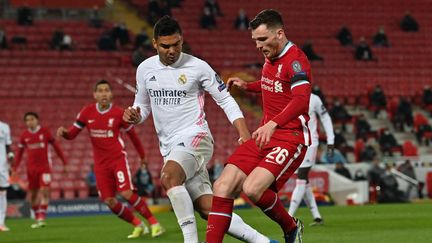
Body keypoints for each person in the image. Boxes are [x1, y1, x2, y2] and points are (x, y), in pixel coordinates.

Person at [123, 16, 275, 243]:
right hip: (170, 146)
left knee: (169, 177)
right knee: (208, 209)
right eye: (165, 46)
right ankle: (263, 242)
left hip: (196, 137)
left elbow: (225, 99)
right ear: (155, 44)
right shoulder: (145, 69)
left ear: (182, 41)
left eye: (176, 44)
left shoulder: (198, 67)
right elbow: (143, 106)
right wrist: (134, 115)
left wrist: (243, 132)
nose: (172, 50)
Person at [206, 9, 311, 243]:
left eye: (262, 39)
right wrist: (248, 86)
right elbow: (272, 84)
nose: (258, 45)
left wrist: (273, 123)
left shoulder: (296, 60)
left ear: (280, 34)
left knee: (253, 189)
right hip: (266, 133)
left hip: (291, 136)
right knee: (222, 186)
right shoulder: (270, 55)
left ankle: (291, 227)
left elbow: (301, 100)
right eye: (255, 41)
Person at [57, 80, 164, 239]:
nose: (103, 93)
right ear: (95, 95)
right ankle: (138, 225)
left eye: (106, 90)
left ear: (111, 94)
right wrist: (65, 133)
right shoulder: (87, 112)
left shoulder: (119, 113)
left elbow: (133, 136)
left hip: (117, 160)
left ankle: (155, 224)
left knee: (126, 193)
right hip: (100, 165)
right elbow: (72, 134)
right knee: (109, 201)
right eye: (100, 91)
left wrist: (142, 156)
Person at [14, 112, 67, 229]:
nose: (30, 122)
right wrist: (14, 169)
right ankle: (38, 216)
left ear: (37, 120)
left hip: (44, 168)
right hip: (31, 169)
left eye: (32, 119)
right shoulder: (24, 135)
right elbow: (19, 154)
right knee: (32, 195)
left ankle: (41, 216)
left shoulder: (45, 132)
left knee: (45, 191)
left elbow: (57, 147)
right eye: (27, 120)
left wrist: (64, 162)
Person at [288, 94, 334, 226]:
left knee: (301, 176)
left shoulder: (314, 99)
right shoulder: (289, 96)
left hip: (311, 143)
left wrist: (331, 140)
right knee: (304, 180)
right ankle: (317, 216)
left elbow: (325, 117)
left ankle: (289, 216)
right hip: (296, 142)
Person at [0, 120, 14, 232]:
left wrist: (10, 155)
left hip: (2, 165)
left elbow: (7, 145)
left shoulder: (4, 127)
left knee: (2, 192)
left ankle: (1, 222)